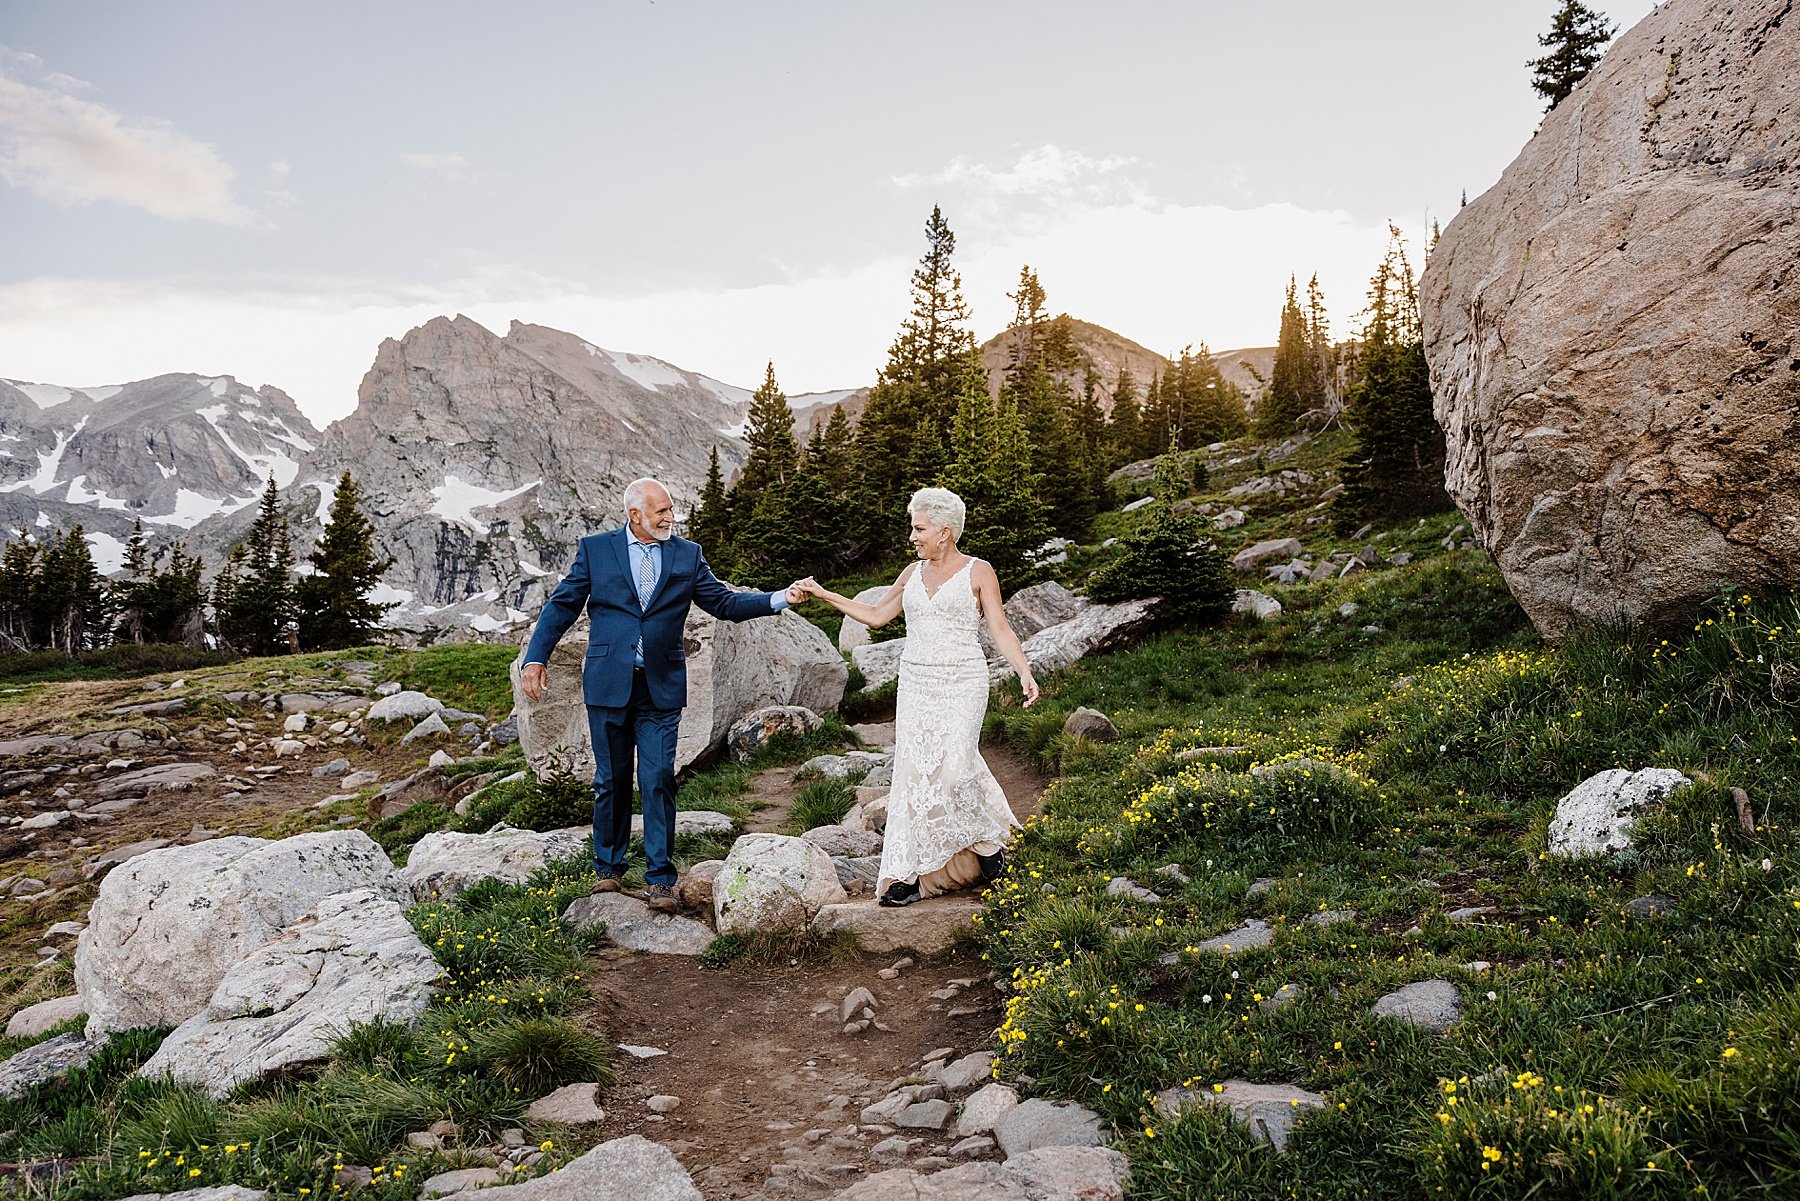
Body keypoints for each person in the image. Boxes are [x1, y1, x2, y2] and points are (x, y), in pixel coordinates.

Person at [521, 477, 805, 913]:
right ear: (635, 515)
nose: (670, 518)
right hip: (607, 683)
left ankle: (660, 880)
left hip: (661, 687)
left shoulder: (687, 555)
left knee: (657, 781)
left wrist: (779, 598)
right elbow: (563, 606)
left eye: (671, 509)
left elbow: (724, 604)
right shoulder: (596, 550)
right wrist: (535, 659)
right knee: (610, 782)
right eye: (661, 512)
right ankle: (608, 871)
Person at [798, 486, 1039, 907]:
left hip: (963, 681)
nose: (912, 535)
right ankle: (908, 876)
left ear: (945, 531)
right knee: (914, 777)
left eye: (919, 528)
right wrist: (825, 595)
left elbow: (999, 628)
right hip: (916, 684)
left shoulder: (979, 572)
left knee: (955, 770)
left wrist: (1024, 671)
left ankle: (989, 849)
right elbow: (875, 615)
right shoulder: (911, 573)